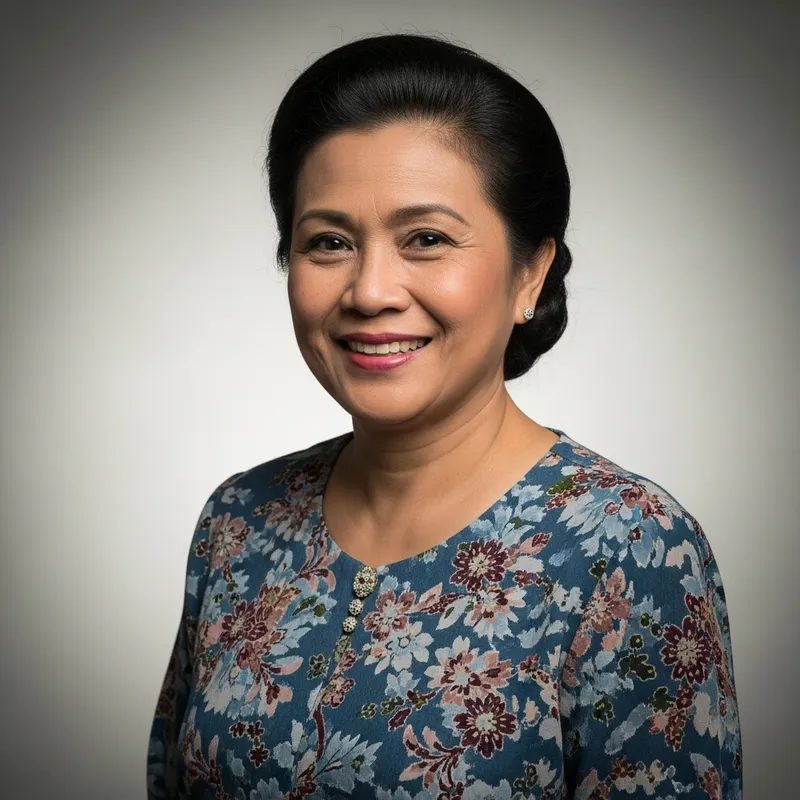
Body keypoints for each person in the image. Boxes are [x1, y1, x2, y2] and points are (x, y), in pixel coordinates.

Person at [147, 32, 742, 799]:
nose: (370, 291)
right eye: (327, 242)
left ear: (531, 272)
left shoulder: (629, 550)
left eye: (425, 238)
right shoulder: (238, 523)